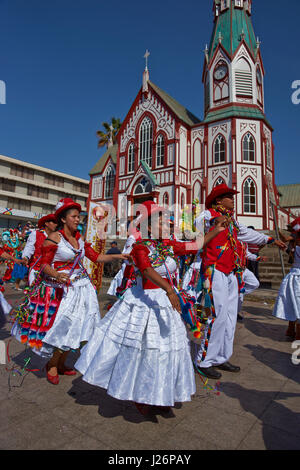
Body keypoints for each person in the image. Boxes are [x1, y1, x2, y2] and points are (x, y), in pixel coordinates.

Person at [75, 200, 226, 416]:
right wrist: (169, 289)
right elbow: (146, 270)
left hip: (164, 304)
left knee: (163, 351)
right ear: (149, 227)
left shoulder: (168, 246)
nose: (169, 226)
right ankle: (138, 392)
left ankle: (159, 393)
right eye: (164, 223)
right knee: (140, 350)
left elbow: (194, 246)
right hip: (142, 302)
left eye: (168, 223)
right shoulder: (140, 247)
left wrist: (215, 231)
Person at [11, 198, 129, 385]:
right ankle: (51, 364)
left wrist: (118, 255)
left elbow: (96, 257)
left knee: (77, 327)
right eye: (74, 216)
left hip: (81, 289)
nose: (78, 219)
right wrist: (57, 275)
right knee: (61, 327)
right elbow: (44, 265)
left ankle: (63, 363)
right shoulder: (54, 238)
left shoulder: (79, 238)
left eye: (79, 216)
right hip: (60, 290)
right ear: (63, 219)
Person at [193, 184, 286, 380]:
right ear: (219, 200)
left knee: (229, 317)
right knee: (216, 315)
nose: (233, 199)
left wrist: (269, 240)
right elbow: (201, 225)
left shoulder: (233, 222)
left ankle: (221, 356)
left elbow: (247, 233)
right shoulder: (207, 214)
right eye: (229, 197)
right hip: (214, 270)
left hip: (231, 271)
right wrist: (217, 219)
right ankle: (204, 360)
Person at [273, 217, 300, 340]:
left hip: (293, 277)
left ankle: (290, 330)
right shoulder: (295, 241)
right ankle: (297, 334)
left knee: (292, 303)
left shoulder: (294, 245)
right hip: (297, 278)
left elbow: (286, 246)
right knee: (297, 305)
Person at [22, 214, 58, 286]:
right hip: (36, 269)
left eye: (57, 222)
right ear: (46, 223)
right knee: (35, 293)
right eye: (53, 222)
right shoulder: (36, 234)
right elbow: (29, 247)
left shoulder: (58, 237)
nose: (56, 224)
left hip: (51, 271)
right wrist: (26, 257)